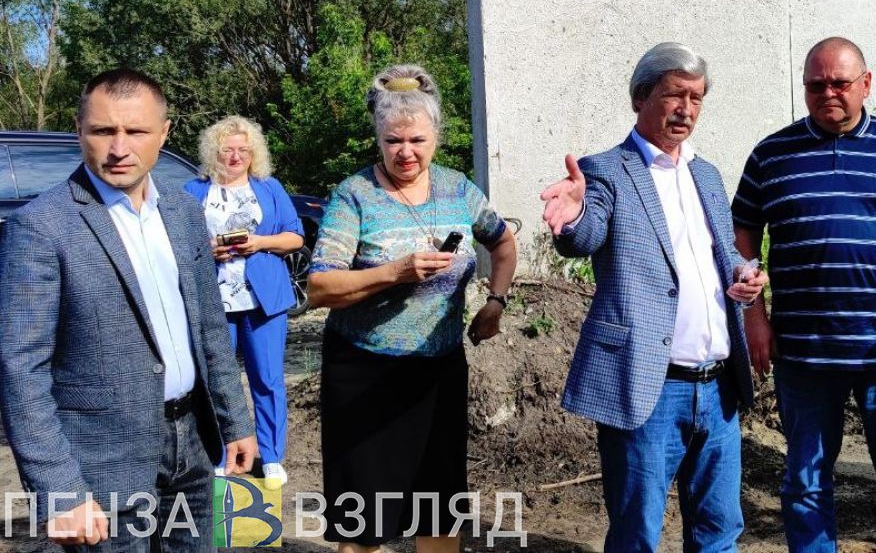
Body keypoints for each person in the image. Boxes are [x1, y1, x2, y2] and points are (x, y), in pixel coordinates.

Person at [731, 37, 876, 553]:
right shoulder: (772, 155)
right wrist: (755, 319)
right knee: (806, 483)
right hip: (805, 353)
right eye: (815, 85)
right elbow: (742, 233)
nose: (828, 93)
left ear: (867, 83)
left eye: (840, 82)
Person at [0, 68, 257, 551]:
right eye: (102, 131)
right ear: (79, 132)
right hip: (100, 463)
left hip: (194, 446)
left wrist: (234, 420)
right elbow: (20, 369)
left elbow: (209, 327)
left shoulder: (183, 214)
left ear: (163, 133)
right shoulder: (41, 227)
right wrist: (59, 492)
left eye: (135, 131)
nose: (120, 147)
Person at [539, 41, 767, 553]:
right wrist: (572, 215)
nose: (686, 110)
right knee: (637, 534)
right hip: (649, 386)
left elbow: (722, 252)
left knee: (719, 531)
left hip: (718, 389)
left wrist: (745, 274)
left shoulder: (705, 173)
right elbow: (586, 235)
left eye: (697, 98)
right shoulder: (607, 171)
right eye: (674, 96)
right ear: (641, 98)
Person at [307, 64, 517, 553]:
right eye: (393, 142)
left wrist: (495, 302)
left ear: (436, 136)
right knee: (362, 518)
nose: (406, 152)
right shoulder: (354, 196)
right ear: (378, 138)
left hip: (439, 371)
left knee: (439, 506)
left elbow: (503, 244)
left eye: (418, 141)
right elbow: (320, 287)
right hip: (364, 374)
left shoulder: (458, 190)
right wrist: (393, 273)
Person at [183, 116, 304, 487]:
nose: (235, 156)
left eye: (243, 149)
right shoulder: (192, 190)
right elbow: (176, 245)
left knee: (267, 380)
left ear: (254, 153)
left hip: (264, 301)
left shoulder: (269, 188)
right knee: (214, 383)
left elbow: (295, 237)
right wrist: (207, 250)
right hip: (212, 301)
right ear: (213, 152)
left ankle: (271, 457)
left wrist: (260, 243)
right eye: (227, 149)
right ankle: (220, 454)